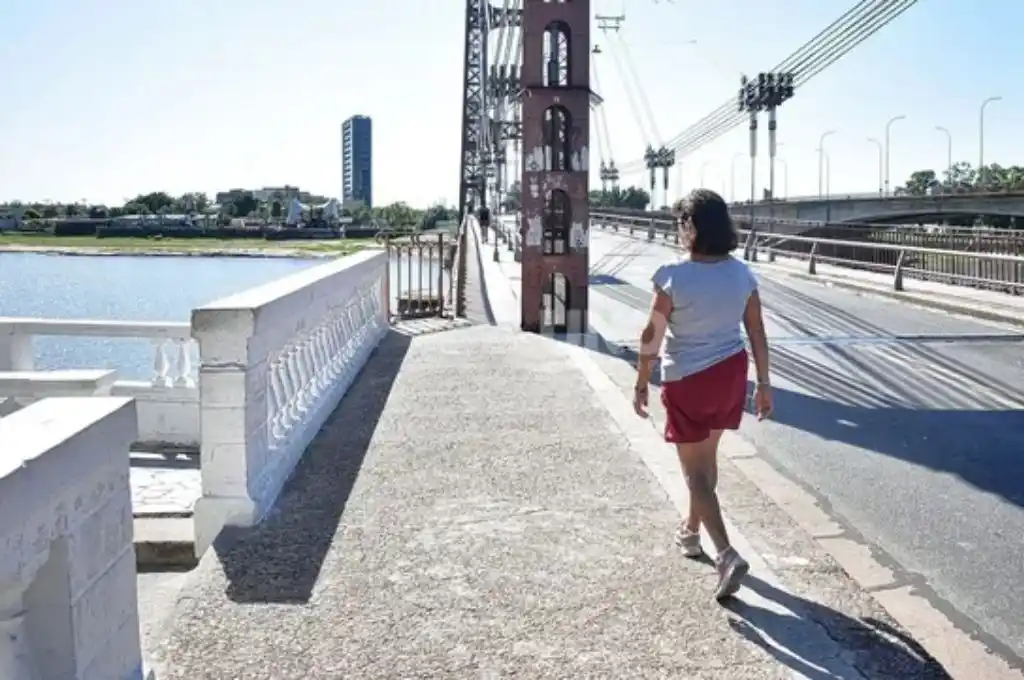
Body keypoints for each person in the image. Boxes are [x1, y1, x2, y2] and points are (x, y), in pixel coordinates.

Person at [632, 188, 773, 601]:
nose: (678, 231)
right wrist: (764, 385)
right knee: (706, 463)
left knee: (694, 473)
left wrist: (642, 379)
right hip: (730, 373)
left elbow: (650, 335)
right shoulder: (742, 274)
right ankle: (691, 533)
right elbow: (757, 332)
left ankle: (726, 554)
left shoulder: (673, 275)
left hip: (688, 379)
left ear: (691, 226)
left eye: (680, 223)